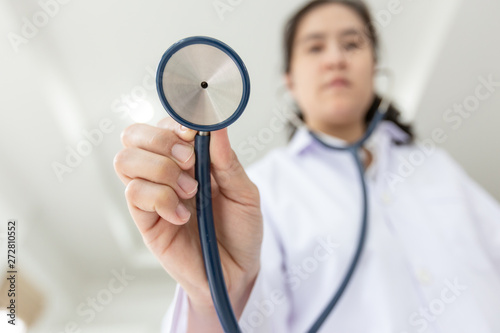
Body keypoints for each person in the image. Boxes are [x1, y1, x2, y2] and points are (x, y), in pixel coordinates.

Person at [114, 0, 500, 332]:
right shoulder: (258, 191)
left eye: (352, 43)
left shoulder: (437, 168)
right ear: (291, 82)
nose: (336, 58)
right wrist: (213, 295)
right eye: (315, 48)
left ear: (375, 69)